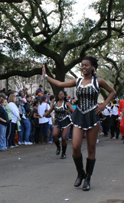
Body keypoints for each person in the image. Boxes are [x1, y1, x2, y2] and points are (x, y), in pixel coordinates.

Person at [42, 56, 116, 191]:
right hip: (79, 115)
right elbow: (59, 84)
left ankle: (88, 177)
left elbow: (112, 92)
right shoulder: (78, 80)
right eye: (82, 65)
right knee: (75, 146)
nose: (83, 67)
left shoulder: (98, 81)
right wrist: (45, 76)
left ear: (93, 67)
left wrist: (104, 105)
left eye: (86, 65)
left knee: (91, 148)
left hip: (93, 115)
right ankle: (80, 173)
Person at [43, 90, 75, 159]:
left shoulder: (67, 103)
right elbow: (49, 111)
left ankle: (63, 153)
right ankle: (58, 147)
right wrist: (42, 115)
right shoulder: (55, 104)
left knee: (64, 138)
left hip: (66, 121)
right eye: (59, 94)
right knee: (54, 135)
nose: (60, 95)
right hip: (58, 121)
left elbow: (73, 110)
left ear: (64, 96)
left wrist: (77, 115)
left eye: (61, 94)